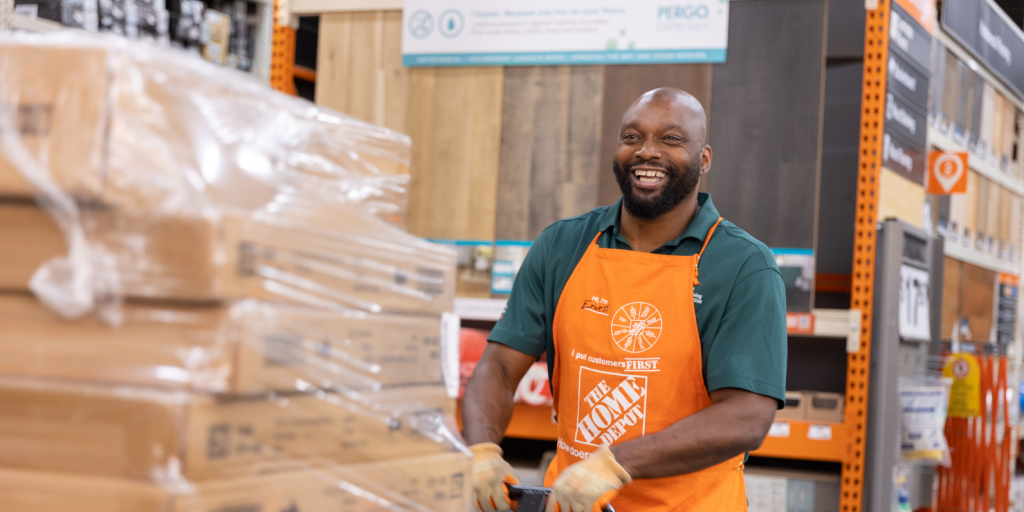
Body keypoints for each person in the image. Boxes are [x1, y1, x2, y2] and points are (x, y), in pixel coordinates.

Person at [461, 88, 788, 512]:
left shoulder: (743, 265)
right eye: (632, 137)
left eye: (671, 139)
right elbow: (500, 368)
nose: (646, 152)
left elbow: (746, 417)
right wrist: (481, 450)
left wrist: (613, 466)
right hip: (571, 503)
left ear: (705, 159)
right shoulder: (563, 245)